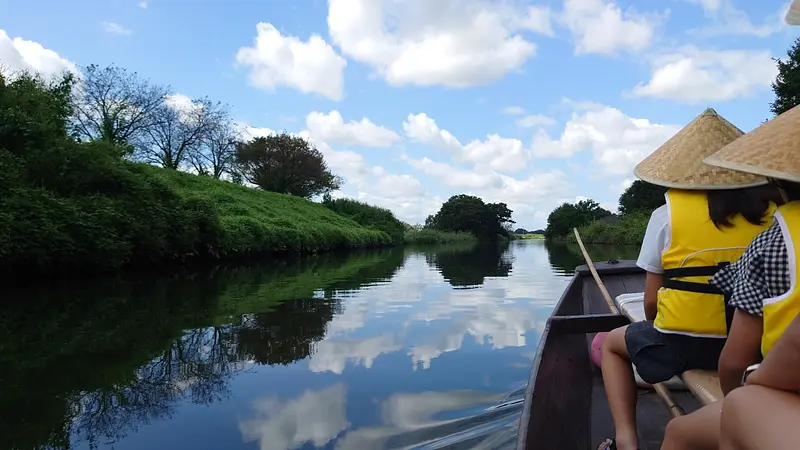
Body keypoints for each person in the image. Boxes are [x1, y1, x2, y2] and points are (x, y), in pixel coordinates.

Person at [596, 108, 784, 450]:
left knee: (611, 343)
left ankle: (626, 439)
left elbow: (651, 304)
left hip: (685, 344)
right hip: (762, 350)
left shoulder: (665, 214)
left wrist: (660, 329)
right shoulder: (778, 217)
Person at [660, 103, 800, 449]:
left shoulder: (774, 239)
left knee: (683, 431)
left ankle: (625, 438)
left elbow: (735, 361)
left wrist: (740, 393)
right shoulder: (766, 222)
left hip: (784, 391)